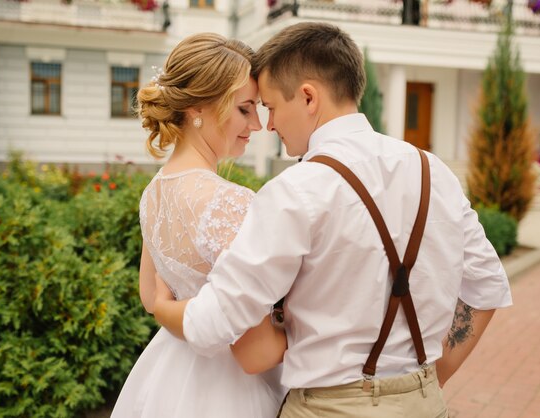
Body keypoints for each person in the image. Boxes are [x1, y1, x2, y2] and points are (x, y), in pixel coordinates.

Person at [152, 22, 512, 418]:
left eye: (270, 107)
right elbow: (488, 287)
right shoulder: (434, 171)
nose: (267, 125)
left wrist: (160, 305)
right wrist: (428, 382)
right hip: (425, 403)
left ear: (308, 97)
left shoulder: (295, 190)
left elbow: (211, 324)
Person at [111, 33, 287, 418]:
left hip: (167, 374)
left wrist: (172, 310)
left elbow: (149, 297)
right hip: (230, 390)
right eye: (245, 109)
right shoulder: (232, 202)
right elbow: (256, 352)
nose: (256, 124)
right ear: (199, 109)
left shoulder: (153, 192)